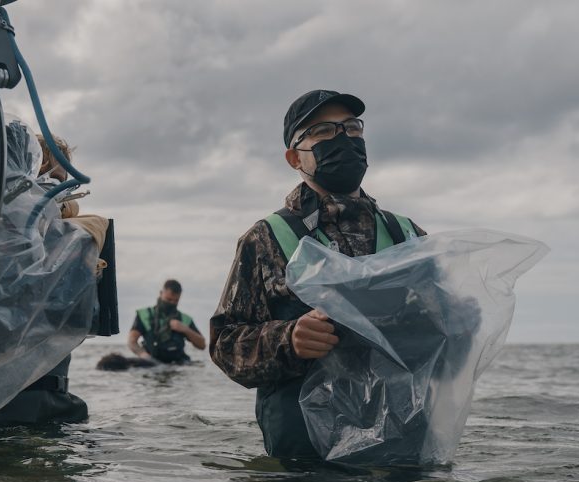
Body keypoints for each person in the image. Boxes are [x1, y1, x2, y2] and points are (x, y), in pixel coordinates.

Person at [209, 90, 426, 459]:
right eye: (324, 131)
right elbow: (224, 345)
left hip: (401, 455)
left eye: (352, 128)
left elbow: (454, 333)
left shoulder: (408, 236)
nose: (344, 139)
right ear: (295, 157)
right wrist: (288, 339)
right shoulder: (265, 238)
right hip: (306, 469)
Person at [0, 134, 99, 427]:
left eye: (62, 180)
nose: (58, 189)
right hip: (6, 407)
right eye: (51, 178)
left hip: (36, 405)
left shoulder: (66, 233)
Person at [129, 279, 205, 364]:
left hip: (179, 365)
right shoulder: (144, 315)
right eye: (168, 299)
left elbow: (202, 345)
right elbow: (132, 342)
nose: (172, 303)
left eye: (176, 301)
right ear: (161, 293)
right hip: (152, 364)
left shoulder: (184, 319)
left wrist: (185, 329)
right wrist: (143, 355)